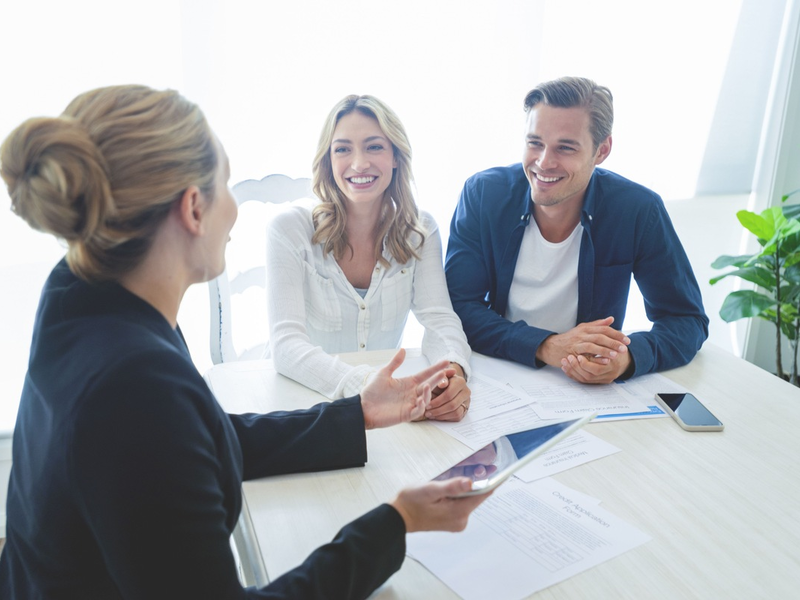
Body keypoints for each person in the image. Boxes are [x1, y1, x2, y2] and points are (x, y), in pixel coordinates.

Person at [0, 84, 489, 599]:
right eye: (227, 185)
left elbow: (197, 440)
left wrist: (356, 413)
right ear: (194, 208)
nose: (235, 210)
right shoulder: (135, 385)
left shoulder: (83, 292)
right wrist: (396, 522)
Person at [445, 77, 708, 384]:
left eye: (565, 148)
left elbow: (687, 320)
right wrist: (546, 345)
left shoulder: (637, 209)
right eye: (535, 143)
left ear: (602, 150)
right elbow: (457, 307)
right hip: (498, 370)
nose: (544, 162)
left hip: (587, 388)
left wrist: (628, 358)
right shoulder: (483, 194)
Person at [266, 94, 472, 421]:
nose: (359, 163)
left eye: (374, 146)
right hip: (302, 403)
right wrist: (367, 386)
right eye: (343, 149)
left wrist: (452, 372)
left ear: (395, 157)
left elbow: (440, 319)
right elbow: (286, 347)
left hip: (385, 413)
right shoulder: (289, 230)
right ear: (328, 161)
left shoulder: (421, 229)